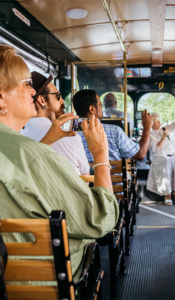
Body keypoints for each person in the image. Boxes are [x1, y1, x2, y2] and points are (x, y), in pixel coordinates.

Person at [0, 45, 119, 277]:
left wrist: (44, 143)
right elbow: (101, 219)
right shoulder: (34, 156)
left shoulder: (30, 151)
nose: (33, 93)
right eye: (26, 84)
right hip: (42, 282)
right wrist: (101, 156)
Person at [20, 71, 90, 176]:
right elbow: (85, 181)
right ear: (42, 100)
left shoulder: (19, 135)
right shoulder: (70, 137)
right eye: (58, 96)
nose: (62, 100)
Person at [72, 89, 153, 162]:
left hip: (80, 178)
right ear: (92, 109)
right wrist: (147, 127)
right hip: (111, 178)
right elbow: (140, 154)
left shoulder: (69, 134)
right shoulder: (115, 131)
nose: (102, 108)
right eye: (100, 105)